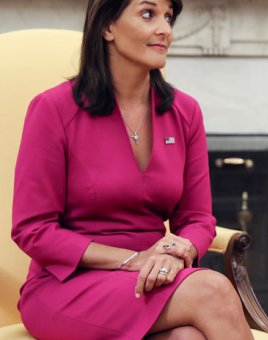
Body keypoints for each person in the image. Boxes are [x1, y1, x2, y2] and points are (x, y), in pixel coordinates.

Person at [11, 0, 253, 339]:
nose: (164, 29)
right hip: (66, 286)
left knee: (188, 338)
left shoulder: (185, 112)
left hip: (153, 278)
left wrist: (181, 250)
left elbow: (198, 219)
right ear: (107, 27)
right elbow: (33, 229)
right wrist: (132, 259)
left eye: (168, 17)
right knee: (212, 290)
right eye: (147, 14)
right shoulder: (53, 109)